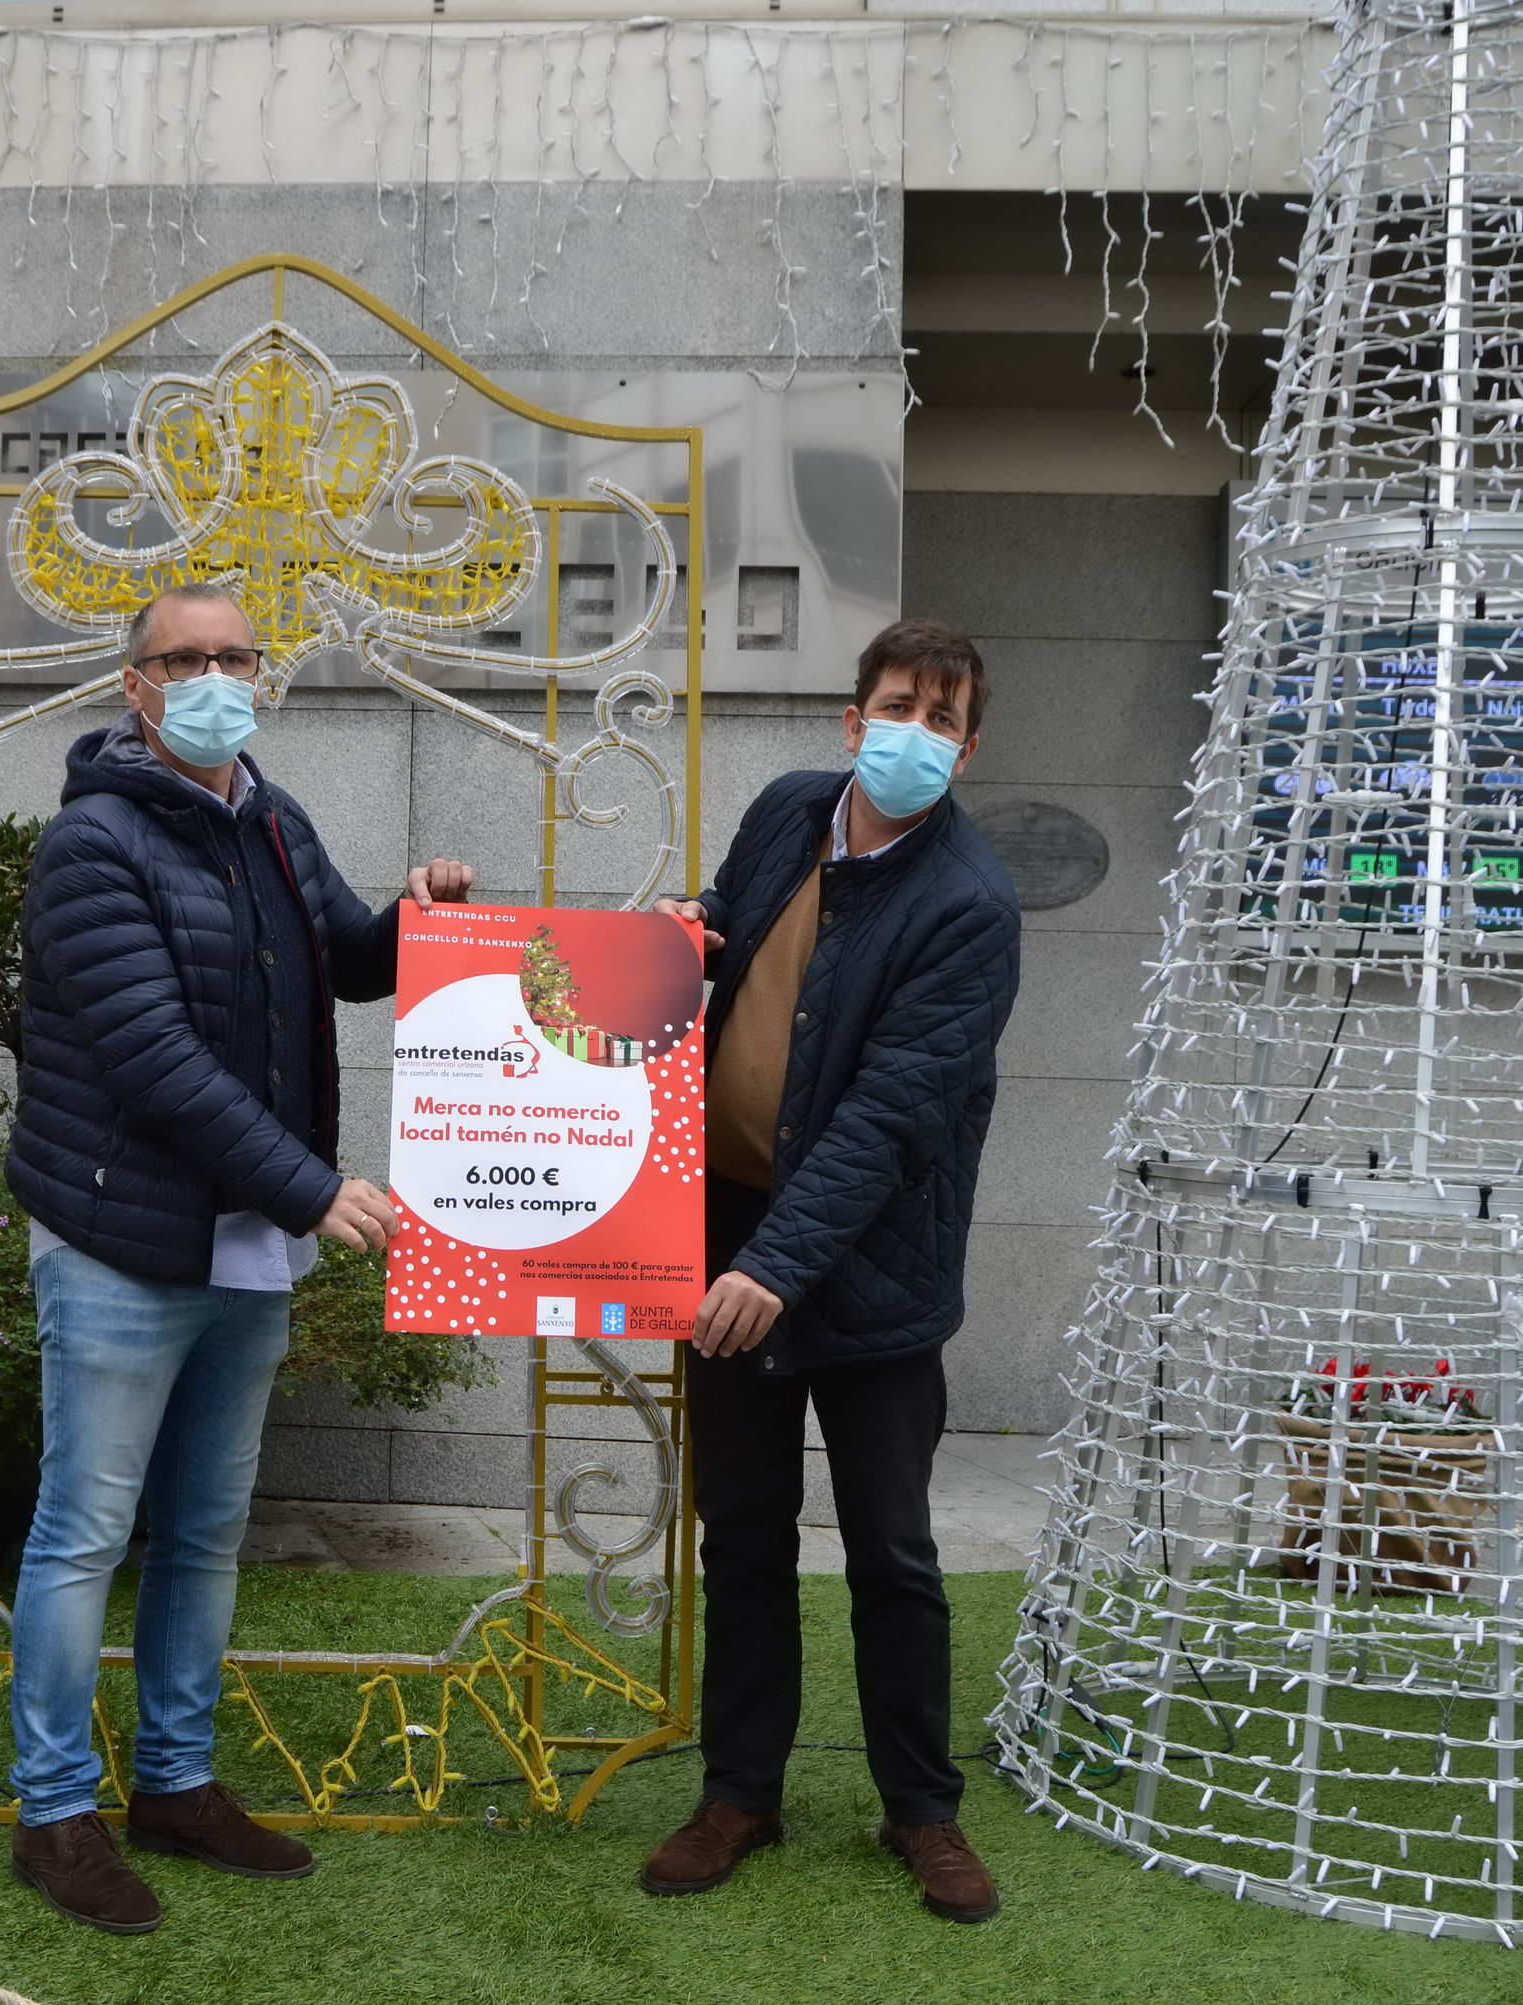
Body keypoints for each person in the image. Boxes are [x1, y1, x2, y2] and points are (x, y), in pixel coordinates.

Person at [0, 580, 473, 1936]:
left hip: (240, 1246)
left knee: (205, 1533)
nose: (214, 674)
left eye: (234, 655)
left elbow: (344, 956)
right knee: (84, 1531)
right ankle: (54, 1810)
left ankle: (175, 1782)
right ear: (135, 685)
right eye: (183, 657)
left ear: (260, 675)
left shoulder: (269, 815)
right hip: (120, 1240)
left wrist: (417, 916)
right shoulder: (93, 842)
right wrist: (313, 1188)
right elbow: (154, 1062)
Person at [638, 619, 1022, 1923]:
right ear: (852, 719)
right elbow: (725, 934)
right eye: (897, 703)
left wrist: (781, 1267)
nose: (916, 729)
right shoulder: (788, 811)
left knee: (892, 1551)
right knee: (741, 1533)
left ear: (969, 747)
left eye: (944, 715)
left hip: (865, 1271)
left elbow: (892, 1113)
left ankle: (923, 1808)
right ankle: (740, 1790)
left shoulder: (970, 906)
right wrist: (675, 943)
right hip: (723, 1233)